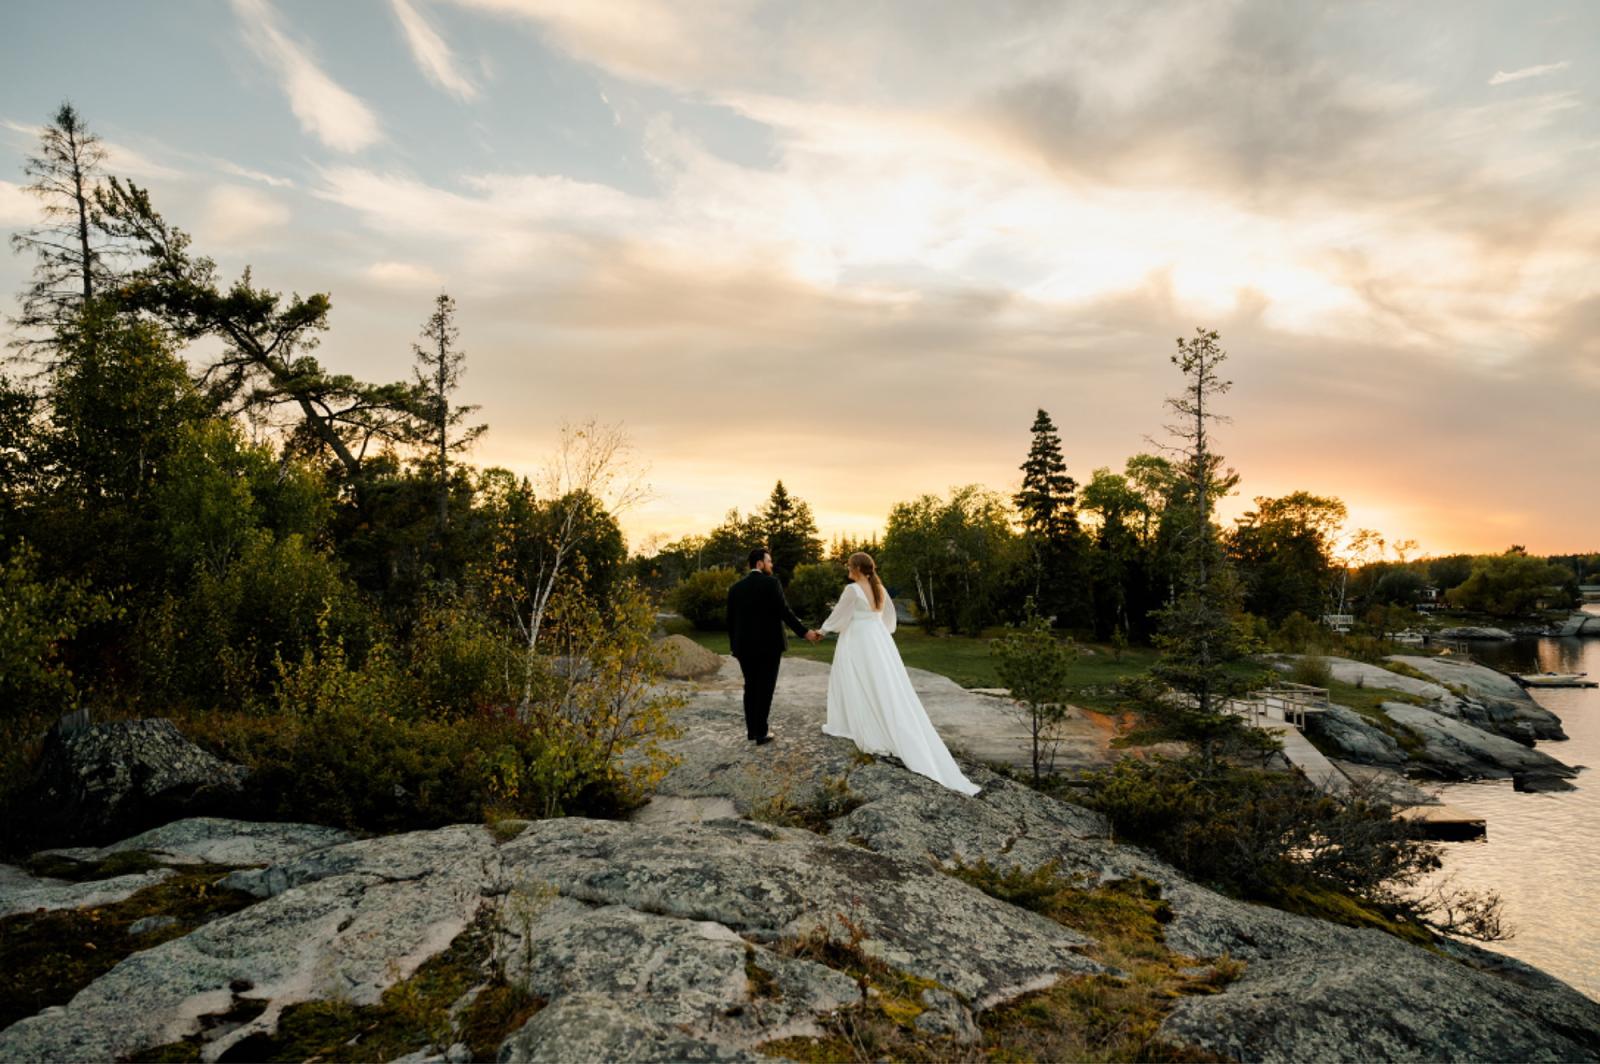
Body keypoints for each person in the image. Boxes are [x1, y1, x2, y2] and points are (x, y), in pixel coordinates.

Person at [818, 552, 980, 795]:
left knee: (856, 681)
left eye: (849, 566)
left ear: (858, 569)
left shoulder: (852, 590)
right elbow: (889, 620)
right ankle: (881, 726)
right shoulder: (879, 588)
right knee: (882, 686)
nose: (847, 569)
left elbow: (840, 616)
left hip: (859, 640)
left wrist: (822, 630)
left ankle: (861, 727)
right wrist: (877, 631)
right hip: (878, 640)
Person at [726, 546, 821, 744]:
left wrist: (734, 647)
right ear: (760, 563)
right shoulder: (771, 583)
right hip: (768, 647)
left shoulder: (735, 588)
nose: (771, 565)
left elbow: (730, 621)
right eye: (769, 561)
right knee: (765, 688)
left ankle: (752, 731)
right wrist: (804, 633)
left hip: (743, 648)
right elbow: (784, 612)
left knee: (751, 687)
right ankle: (762, 732)